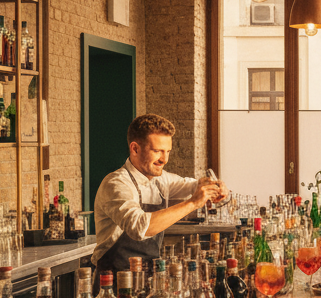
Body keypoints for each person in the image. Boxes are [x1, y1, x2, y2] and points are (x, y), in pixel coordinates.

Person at [92, 114, 227, 272]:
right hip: (113, 278)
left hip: (148, 275)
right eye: (157, 151)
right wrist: (193, 203)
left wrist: (213, 186)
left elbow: (193, 185)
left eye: (167, 151)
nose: (164, 159)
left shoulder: (162, 180)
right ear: (135, 149)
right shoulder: (116, 184)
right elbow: (139, 227)